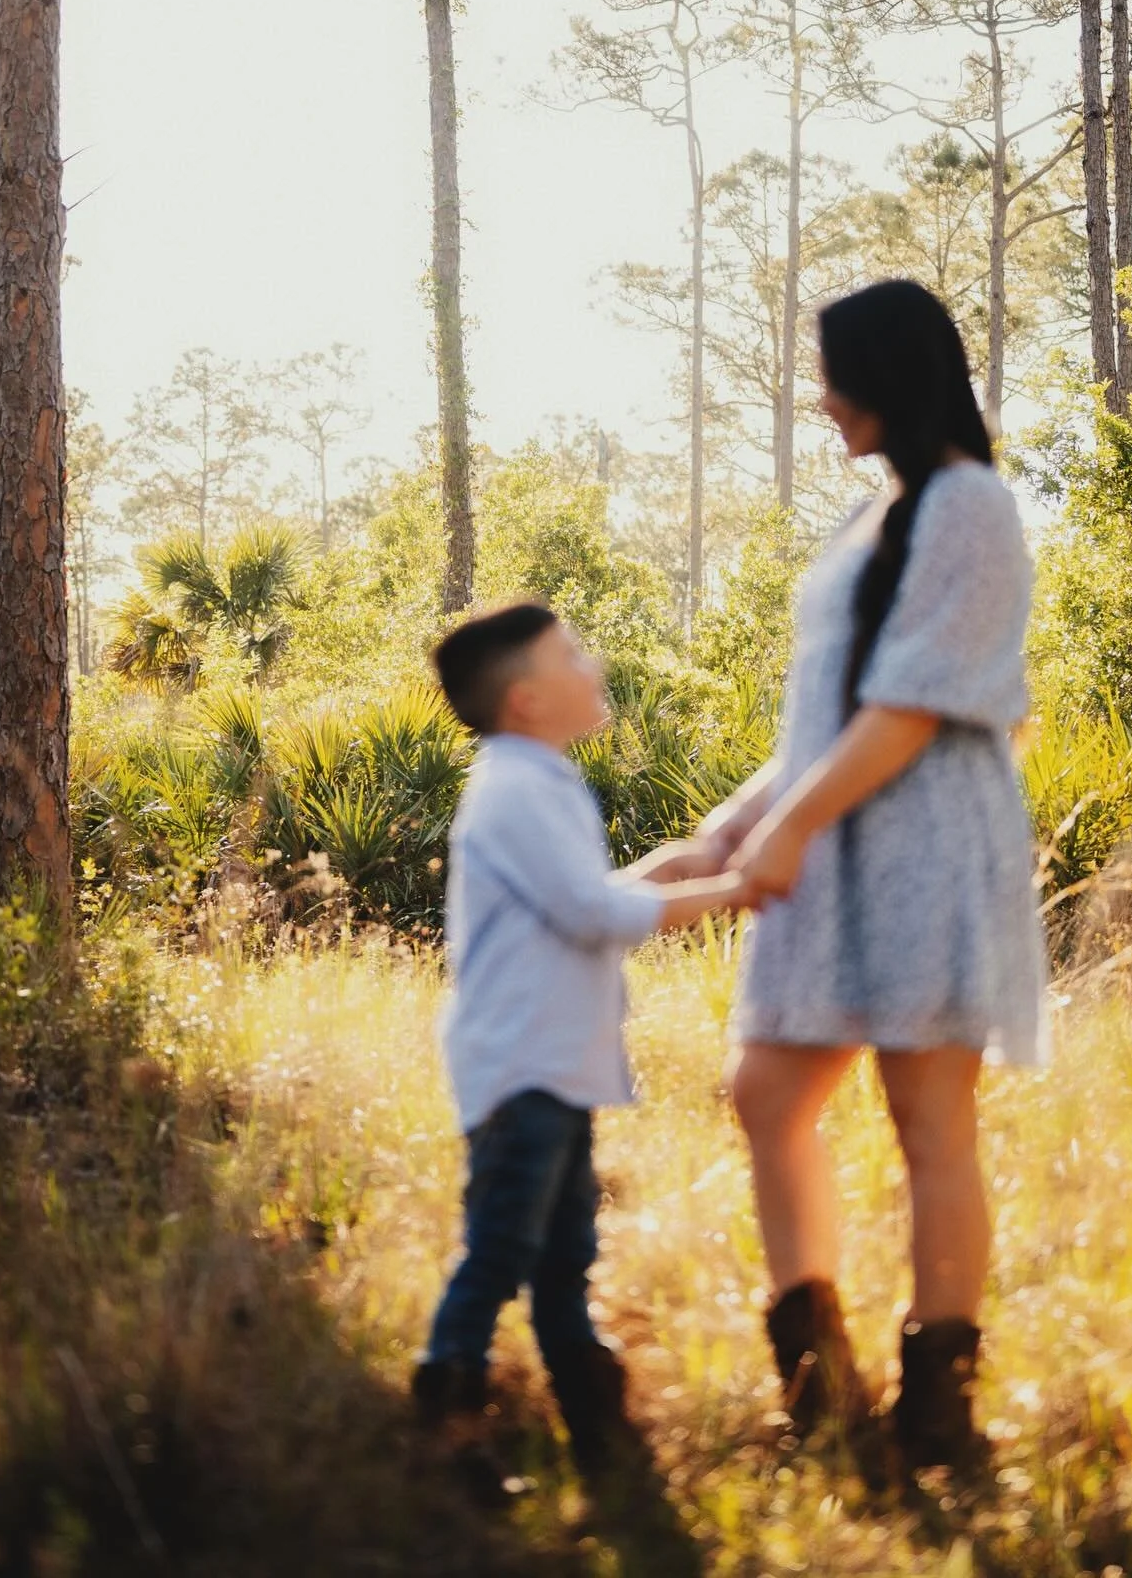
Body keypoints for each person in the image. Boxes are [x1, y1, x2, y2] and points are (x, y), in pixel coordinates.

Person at [692, 279, 1047, 1474]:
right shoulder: (870, 517)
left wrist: (788, 827)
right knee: (766, 1093)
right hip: (833, 840)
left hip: (925, 847)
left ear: (888, 375)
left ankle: (938, 1413)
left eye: (834, 374)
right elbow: (829, 711)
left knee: (927, 1120)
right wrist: (737, 823)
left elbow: (912, 707)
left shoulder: (971, 504)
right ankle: (820, 1390)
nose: (822, 397)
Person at [413, 602, 749, 1495]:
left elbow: (575, 897)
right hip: (523, 1064)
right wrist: (731, 890)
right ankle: (447, 1415)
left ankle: (597, 1432)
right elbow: (590, 914)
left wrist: (666, 869)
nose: (592, 667)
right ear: (525, 699)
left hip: (554, 1064)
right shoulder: (516, 787)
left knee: (564, 1259)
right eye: (572, 656)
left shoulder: (537, 778)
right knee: (501, 1250)